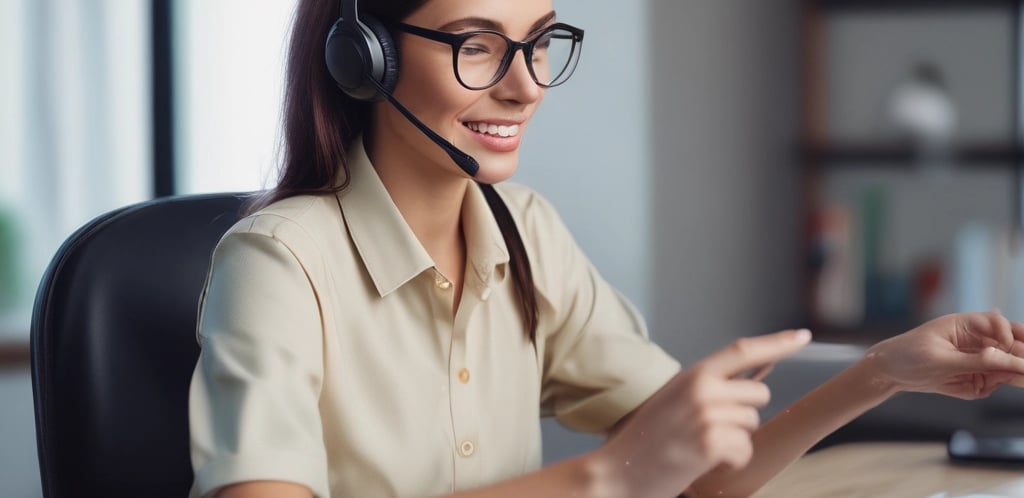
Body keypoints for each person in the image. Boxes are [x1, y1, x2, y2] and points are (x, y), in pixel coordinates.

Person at [186, 0, 1024, 497]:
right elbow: (631, 474)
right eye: (477, 46)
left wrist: (881, 372)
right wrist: (607, 480)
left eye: (541, 42)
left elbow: (702, 476)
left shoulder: (525, 230)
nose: (525, 84)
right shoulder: (278, 264)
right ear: (362, 55)